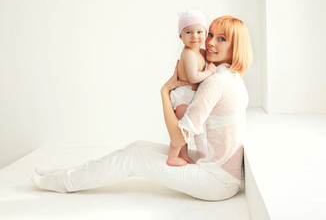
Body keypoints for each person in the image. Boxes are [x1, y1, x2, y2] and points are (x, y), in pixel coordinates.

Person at [32, 15, 253, 201]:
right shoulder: (231, 76)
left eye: (222, 39)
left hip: (216, 180)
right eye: (211, 34)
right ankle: (67, 174)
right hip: (220, 170)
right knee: (137, 146)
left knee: (134, 158)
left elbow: (178, 137)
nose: (211, 42)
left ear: (236, 46)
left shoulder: (215, 82)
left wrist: (165, 92)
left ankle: (65, 182)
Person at [168, 9, 217, 166]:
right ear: (180, 36)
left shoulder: (199, 51)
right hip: (183, 95)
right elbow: (193, 77)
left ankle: (184, 155)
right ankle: (172, 157)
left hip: (190, 94)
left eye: (199, 31)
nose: (194, 36)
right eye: (188, 32)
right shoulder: (189, 53)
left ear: (205, 33)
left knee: (185, 130)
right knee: (181, 130)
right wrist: (209, 71)